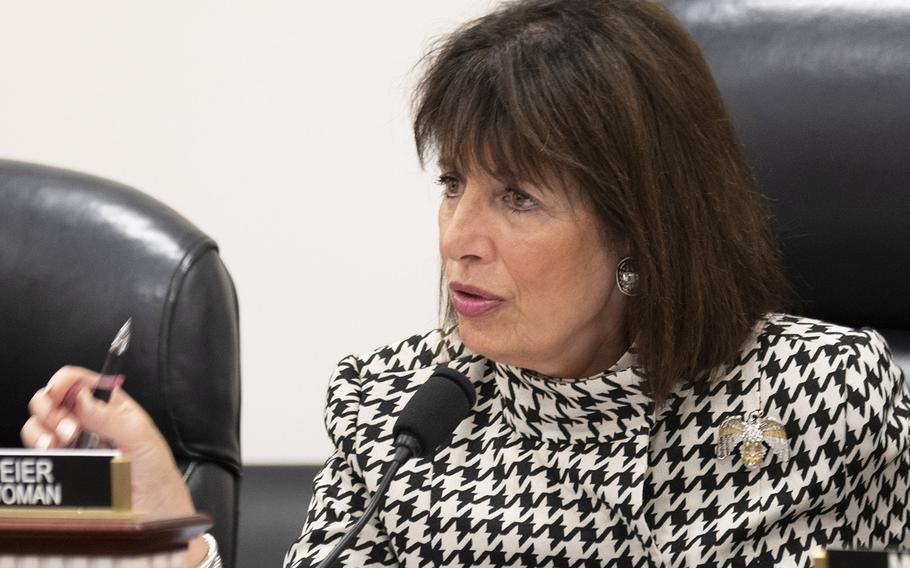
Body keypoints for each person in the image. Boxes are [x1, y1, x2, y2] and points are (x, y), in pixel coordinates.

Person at [21, 0, 910, 566]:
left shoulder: (827, 396)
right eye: (453, 184)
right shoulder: (401, 409)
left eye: (516, 197)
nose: (457, 239)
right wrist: (175, 537)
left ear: (645, 224)